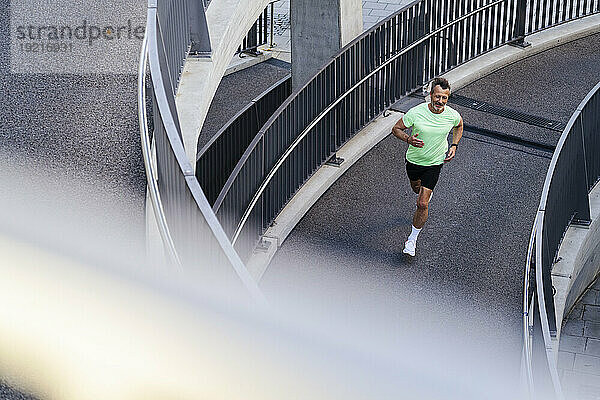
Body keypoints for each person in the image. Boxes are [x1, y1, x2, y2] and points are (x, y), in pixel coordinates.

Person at [391, 77, 463, 256]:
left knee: (422, 203)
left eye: (444, 98)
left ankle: (412, 240)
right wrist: (408, 139)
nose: (440, 101)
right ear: (430, 95)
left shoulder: (452, 115)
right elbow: (396, 129)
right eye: (437, 97)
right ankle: (422, 190)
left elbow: (459, 126)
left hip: (435, 163)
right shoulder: (416, 112)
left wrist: (454, 145)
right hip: (414, 161)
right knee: (416, 188)